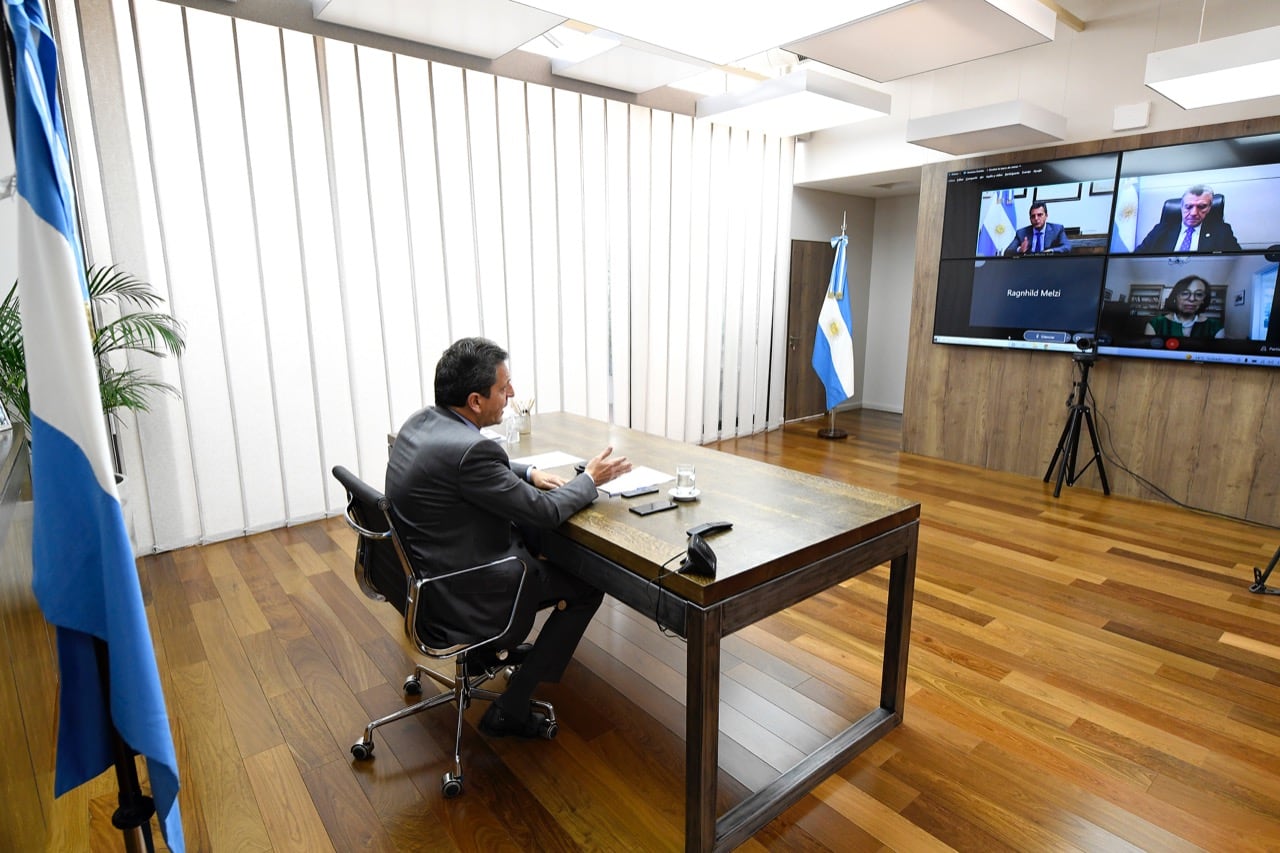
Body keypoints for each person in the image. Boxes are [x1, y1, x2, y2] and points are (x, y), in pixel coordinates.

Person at [385, 337, 632, 738]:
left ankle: (486, 656)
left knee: (533, 539)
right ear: (476, 401)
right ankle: (512, 708)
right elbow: (546, 512)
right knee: (587, 585)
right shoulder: (471, 454)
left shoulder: (421, 422)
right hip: (464, 589)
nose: (512, 394)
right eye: (503, 387)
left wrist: (526, 473)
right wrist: (590, 479)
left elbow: (463, 461)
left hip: (423, 576)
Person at [1135, 184, 1241, 253]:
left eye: (1202, 207)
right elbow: (1136, 259)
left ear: (1209, 208)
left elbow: (1238, 261)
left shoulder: (1222, 232)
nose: (1194, 213)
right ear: (1181, 206)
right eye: (1188, 206)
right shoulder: (1161, 230)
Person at [1143, 275, 1225, 339]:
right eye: (1185, 293)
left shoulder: (1216, 327)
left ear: (1203, 300)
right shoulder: (1155, 324)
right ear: (1176, 297)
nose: (1192, 299)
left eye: (1199, 294)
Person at [1004, 201, 1071, 255]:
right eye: (1033, 216)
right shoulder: (1021, 233)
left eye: (1039, 215)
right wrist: (1020, 250)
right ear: (1030, 218)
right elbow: (1007, 252)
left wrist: (1051, 251)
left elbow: (1067, 247)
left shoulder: (1057, 229)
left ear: (1046, 216)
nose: (1036, 219)